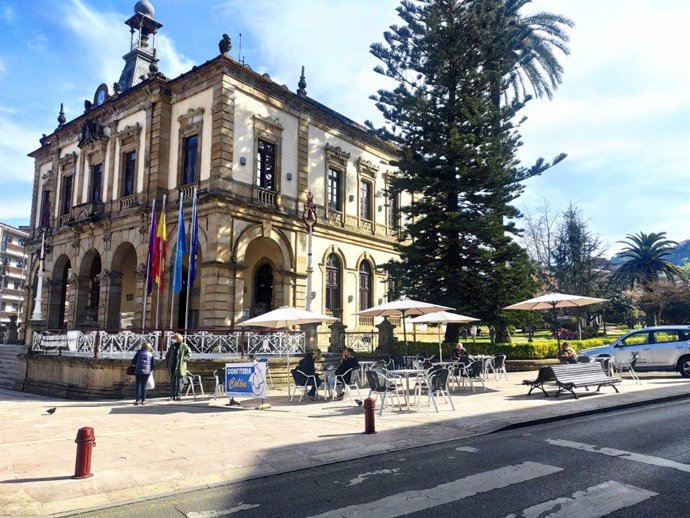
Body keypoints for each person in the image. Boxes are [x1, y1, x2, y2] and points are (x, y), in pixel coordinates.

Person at [166, 333, 191, 401]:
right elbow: (168, 355)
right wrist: (167, 363)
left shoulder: (184, 346)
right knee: (172, 382)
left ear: (178, 338)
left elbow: (189, 354)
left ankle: (178, 395)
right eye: (174, 338)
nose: (174, 339)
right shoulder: (172, 346)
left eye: (175, 338)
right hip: (172, 366)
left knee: (180, 382)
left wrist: (183, 359)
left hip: (180, 366)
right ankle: (172, 396)